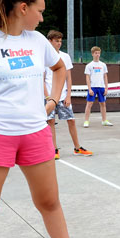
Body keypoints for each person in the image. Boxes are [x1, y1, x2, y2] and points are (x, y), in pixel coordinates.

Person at [0, 0, 90, 238]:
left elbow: (59, 69)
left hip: (35, 133)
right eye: (40, 10)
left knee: (49, 201)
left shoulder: (36, 41)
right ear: (23, 8)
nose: (43, 18)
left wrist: (52, 100)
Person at [45, 30, 93, 159]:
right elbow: (42, 79)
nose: (59, 43)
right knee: (50, 122)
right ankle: (54, 150)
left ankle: (77, 148)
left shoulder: (65, 56)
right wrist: (47, 97)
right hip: (49, 97)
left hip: (63, 96)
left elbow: (68, 78)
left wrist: (68, 96)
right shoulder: (43, 57)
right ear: (49, 41)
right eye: (56, 41)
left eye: (61, 41)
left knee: (71, 120)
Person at [83, 46, 113, 127]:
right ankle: (86, 121)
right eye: (96, 53)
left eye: (99, 53)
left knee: (103, 104)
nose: (97, 55)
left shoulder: (103, 65)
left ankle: (104, 121)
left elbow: (105, 76)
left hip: (101, 87)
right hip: (93, 87)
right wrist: (89, 89)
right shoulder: (89, 65)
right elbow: (87, 77)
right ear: (92, 54)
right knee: (89, 104)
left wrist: (106, 88)